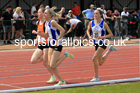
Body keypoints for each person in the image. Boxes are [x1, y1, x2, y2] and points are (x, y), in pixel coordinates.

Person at [32, 8, 74, 86]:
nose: (44, 14)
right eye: (44, 13)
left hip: (57, 44)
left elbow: (62, 30)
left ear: (50, 15)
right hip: (51, 44)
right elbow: (47, 35)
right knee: (51, 65)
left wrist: (57, 40)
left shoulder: (53, 22)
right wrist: (39, 33)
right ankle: (65, 56)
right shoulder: (46, 23)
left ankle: (61, 80)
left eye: (46, 13)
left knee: (52, 65)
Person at [86, 8, 117, 82]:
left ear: (100, 15)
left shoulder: (104, 23)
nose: (95, 15)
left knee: (94, 59)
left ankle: (96, 77)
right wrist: (89, 36)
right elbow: (88, 30)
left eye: (97, 14)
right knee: (100, 62)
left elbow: (111, 34)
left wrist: (103, 37)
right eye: (94, 13)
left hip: (102, 44)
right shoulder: (91, 22)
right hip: (96, 44)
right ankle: (109, 50)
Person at [31, 8, 57, 83]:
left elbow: (46, 35)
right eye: (38, 12)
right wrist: (36, 40)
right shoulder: (38, 22)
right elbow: (39, 34)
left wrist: (36, 33)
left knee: (45, 63)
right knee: (33, 60)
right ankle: (47, 58)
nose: (38, 14)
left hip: (46, 44)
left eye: (40, 12)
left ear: (43, 14)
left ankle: (53, 76)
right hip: (40, 44)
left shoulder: (46, 23)